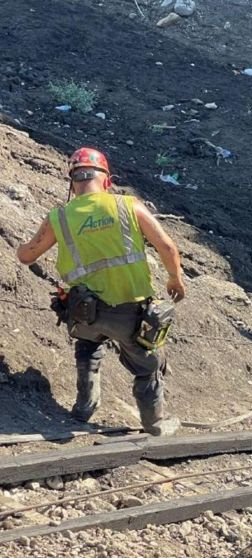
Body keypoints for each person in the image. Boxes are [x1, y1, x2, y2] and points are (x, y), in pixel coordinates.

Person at [16, 148, 185, 436]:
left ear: (73, 183)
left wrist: (21, 245)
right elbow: (167, 246)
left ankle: (83, 408)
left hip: (84, 311)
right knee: (147, 365)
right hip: (131, 312)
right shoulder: (128, 205)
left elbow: (27, 255)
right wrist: (175, 279)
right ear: (106, 179)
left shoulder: (59, 217)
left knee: (87, 345)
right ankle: (155, 423)